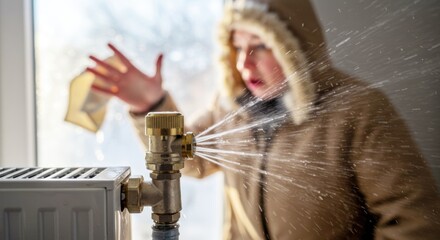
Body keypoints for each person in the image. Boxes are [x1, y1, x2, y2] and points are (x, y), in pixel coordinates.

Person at [73, 0, 440, 239]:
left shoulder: (358, 110)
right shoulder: (232, 107)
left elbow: (416, 223)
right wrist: (151, 103)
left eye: (260, 46)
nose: (243, 63)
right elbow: (193, 160)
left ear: (295, 47)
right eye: (236, 46)